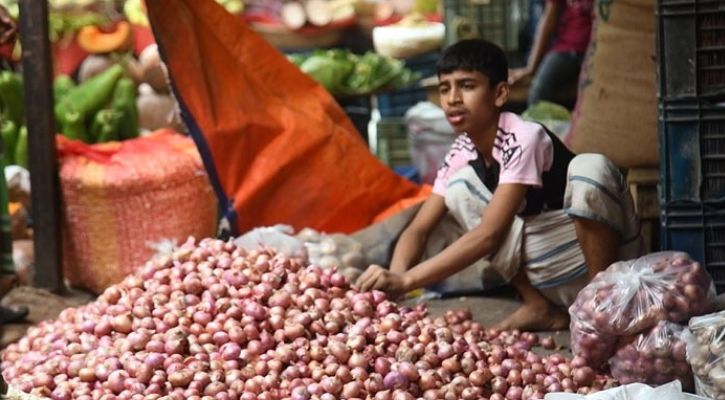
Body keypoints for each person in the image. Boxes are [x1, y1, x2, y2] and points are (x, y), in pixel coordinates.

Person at [356, 39, 642, 331]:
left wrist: (408, 280)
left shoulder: (523, 136)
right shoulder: (461, 151)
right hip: (548, 265)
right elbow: (418, 229)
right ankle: (537, 305)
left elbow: (489, 235)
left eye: (467, 86)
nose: (453, 98)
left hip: (602, 257)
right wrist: (392, 285)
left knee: (590, 167)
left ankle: (602, 308)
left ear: (500, 93)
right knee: (459, 189)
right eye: (445, 88)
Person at [509, 0, 594, 108]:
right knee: (539, 94)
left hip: (598, 49)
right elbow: (549, 21)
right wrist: (531, 67)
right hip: (567, 48)